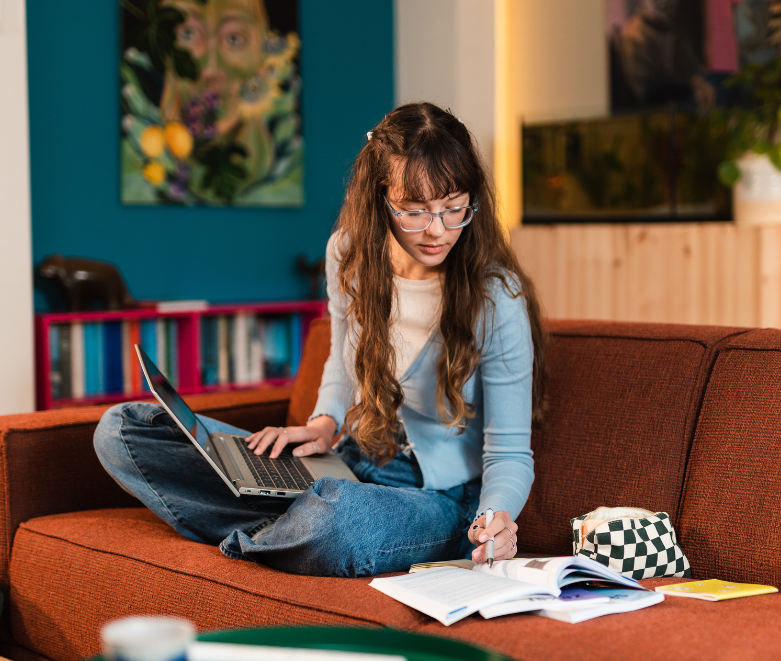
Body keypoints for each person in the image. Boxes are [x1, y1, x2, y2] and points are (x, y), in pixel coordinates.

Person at [94, 102, 548, 577]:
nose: (437, 230)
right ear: (380, 200)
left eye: (454, 208)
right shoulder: (348, 254)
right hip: (344, 463)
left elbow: (510, 452)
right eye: (414, 212)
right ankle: (294, 526)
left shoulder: (497, 299)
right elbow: (341, 356)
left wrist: (494, 519)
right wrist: (324, 422)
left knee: (338, 517)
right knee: (123, 430)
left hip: (435, 501)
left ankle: (282, 528)